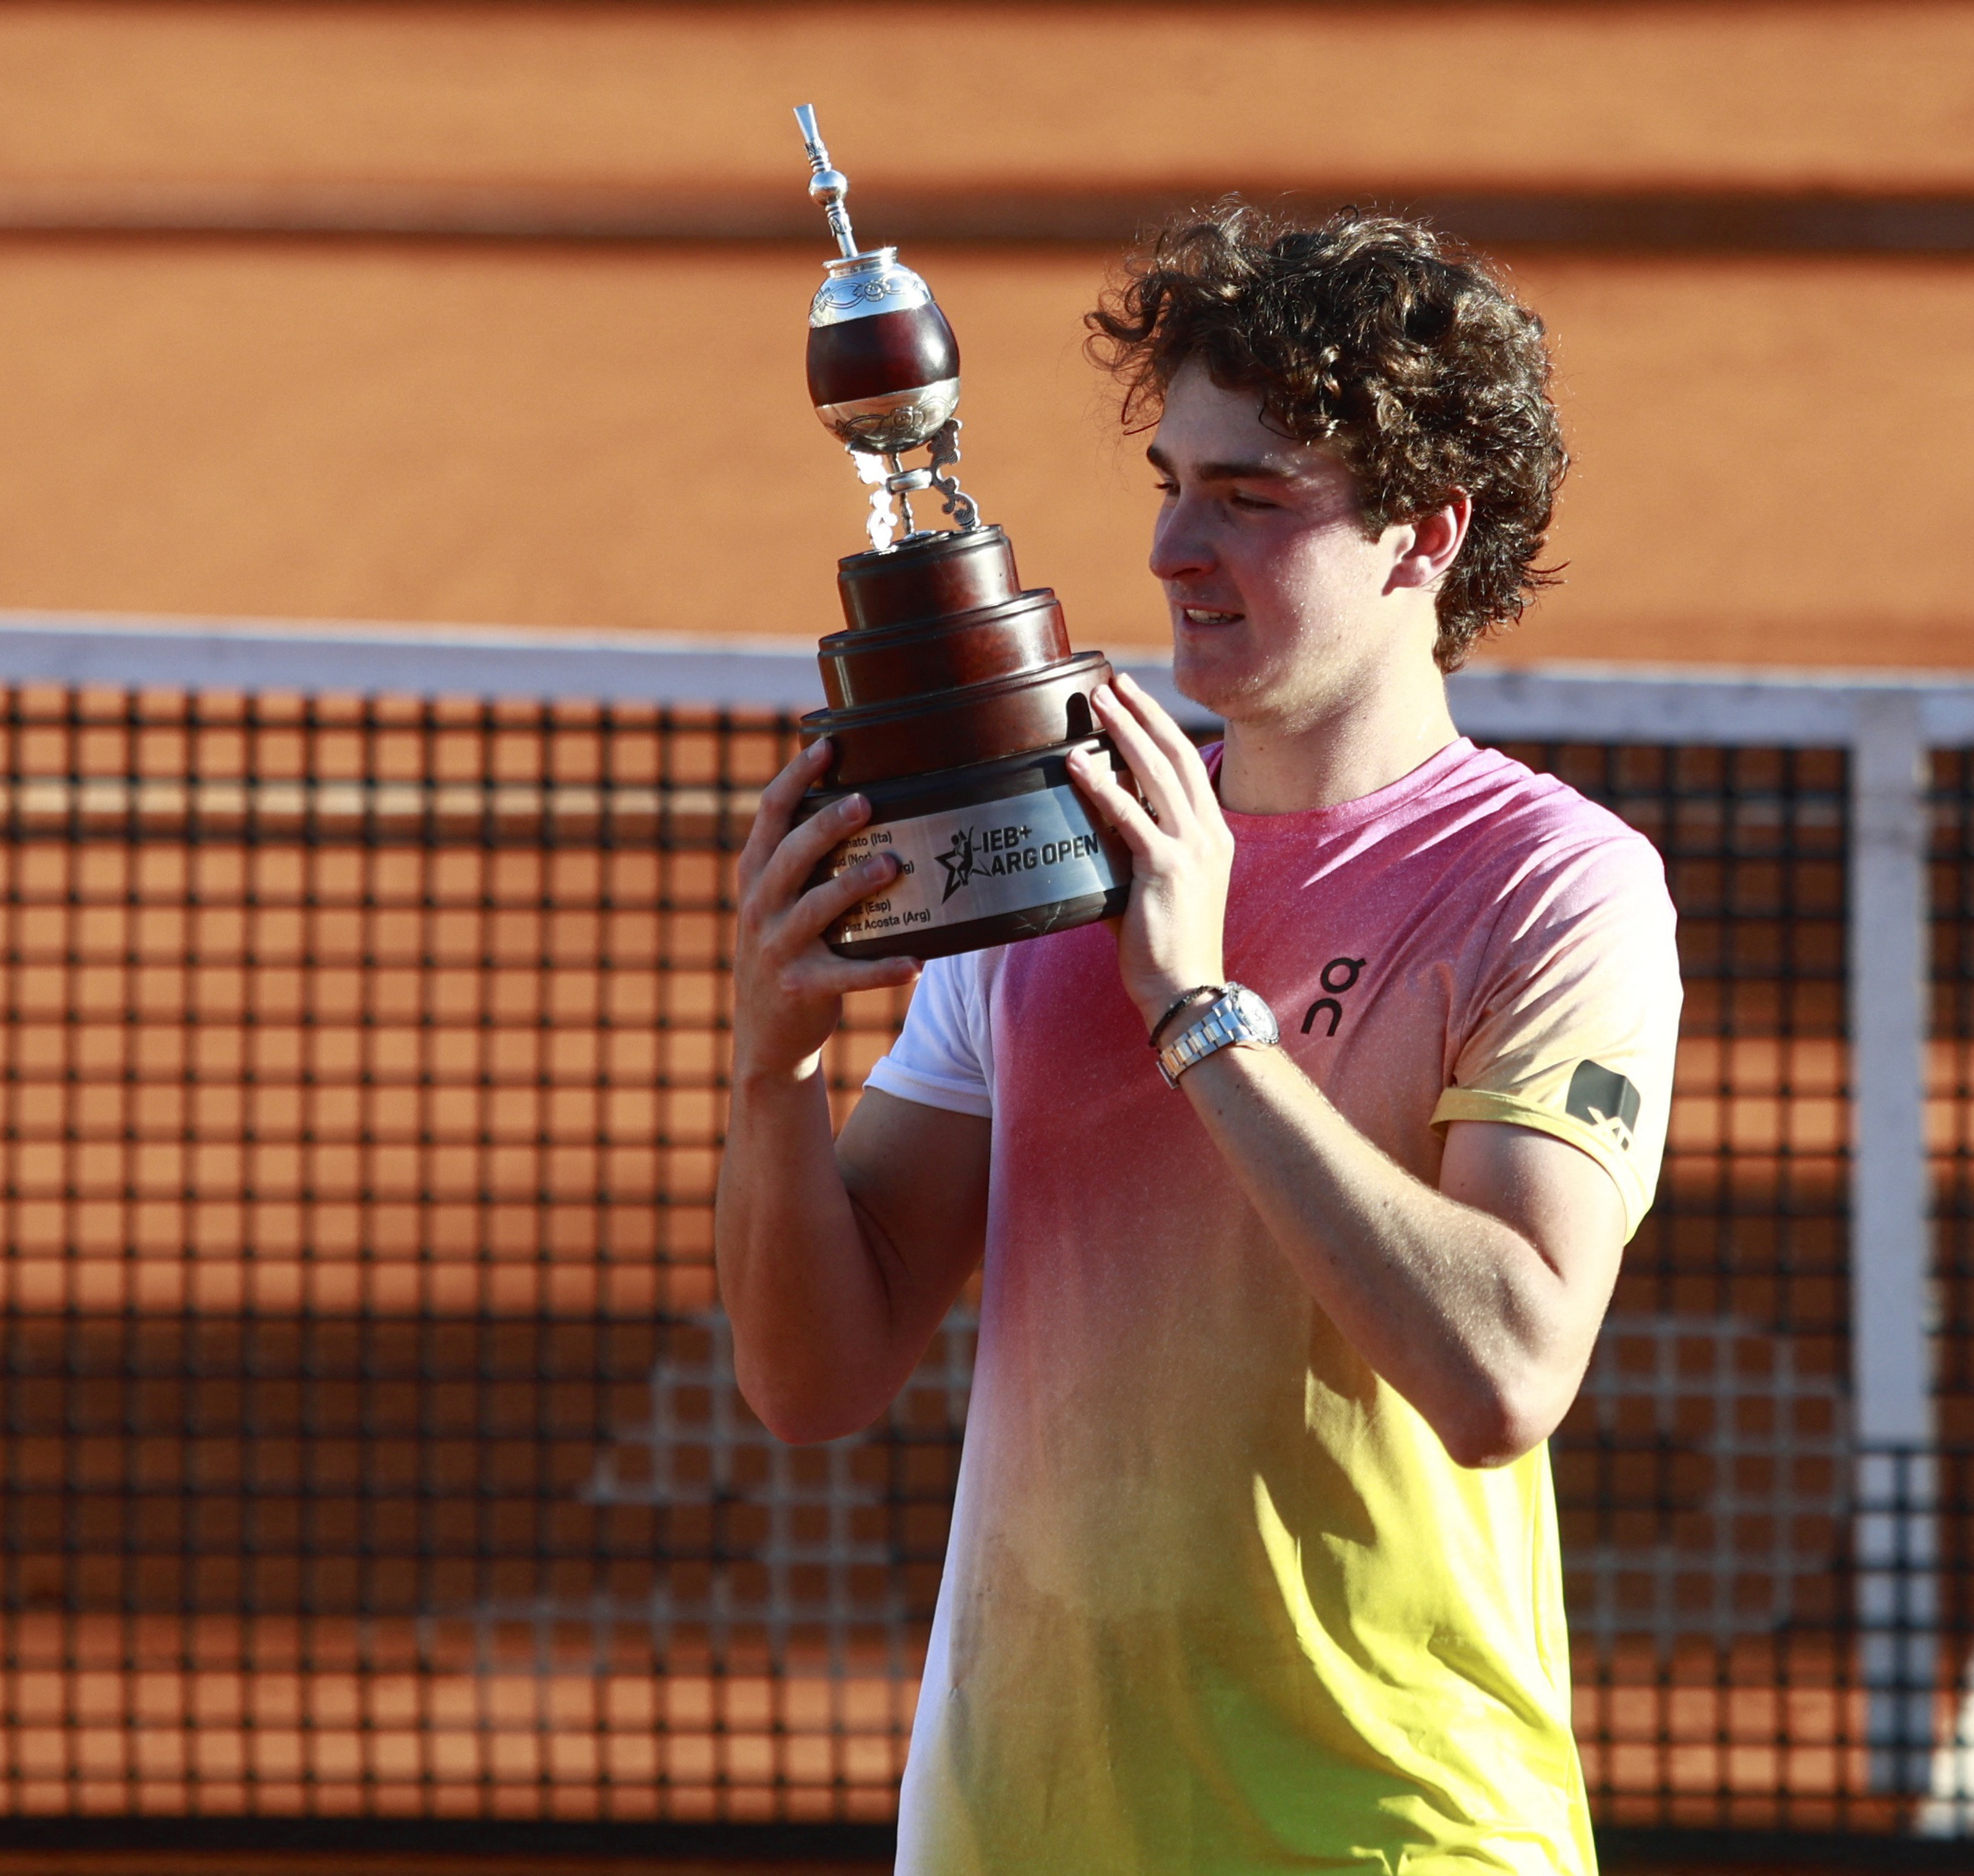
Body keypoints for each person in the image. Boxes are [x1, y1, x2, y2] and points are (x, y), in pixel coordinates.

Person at [716, 203, 1681, 1875]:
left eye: (1248, 501)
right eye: (1171, 483)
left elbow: (1504, 1370)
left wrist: (1196, 1008)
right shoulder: (1046, 841)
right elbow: (814, 1375)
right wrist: (772, 1062)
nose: (1173, 549)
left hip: (1384, 1839)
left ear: (1422, 534)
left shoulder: (1549, 887)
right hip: (1012, 1836)